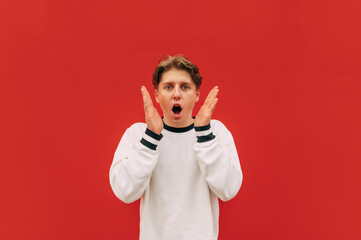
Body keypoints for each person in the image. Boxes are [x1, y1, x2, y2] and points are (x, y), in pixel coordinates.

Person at [109, 55, 243, 240]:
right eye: (168, 87)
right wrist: (151, 137)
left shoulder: (216, 133)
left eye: (185, 87)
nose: (176, 94)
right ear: (157, 95)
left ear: (197, 95)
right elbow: (125, 191)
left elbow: (228, 189)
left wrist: (204, 132)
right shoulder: (138, 134)